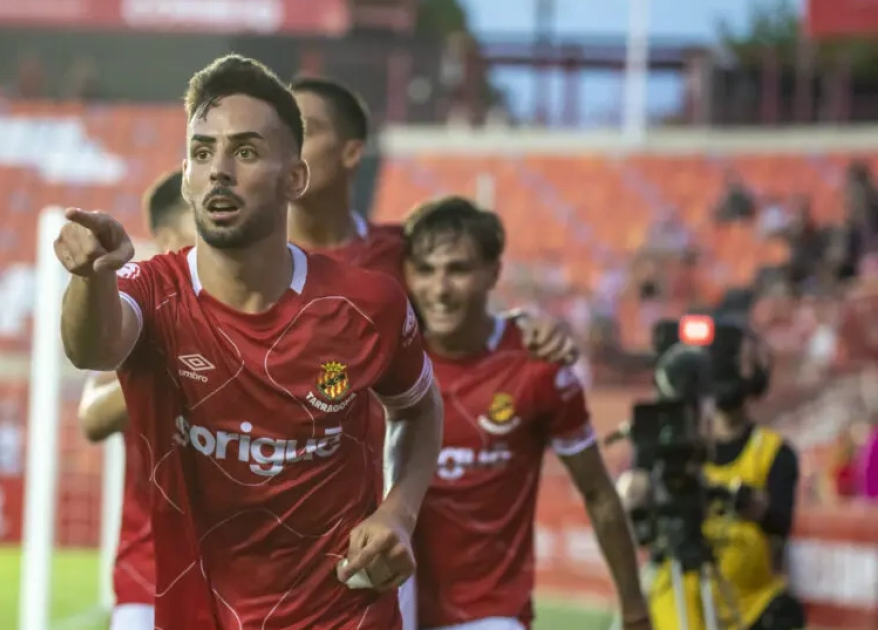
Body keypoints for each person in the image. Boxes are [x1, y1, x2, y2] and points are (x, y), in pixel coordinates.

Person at [57, 54, 442, 628]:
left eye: (245, 151)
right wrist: (91, 277)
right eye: (202, 151)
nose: (218, 170)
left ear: (295, 177)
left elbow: (419, 408)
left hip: (342, 614)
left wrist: (399, 511)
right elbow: (91, 350)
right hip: (200, 613)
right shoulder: (153, 290)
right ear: (186, 177)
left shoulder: (368, 305)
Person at [290, 76, 578, 628]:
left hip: (368, 511)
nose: (290, 144)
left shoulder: (396, 254)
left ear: (353, 152)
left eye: (306, 129)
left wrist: (523, 324)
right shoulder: (251, 259)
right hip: (270, 503)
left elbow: (458, 308)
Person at [400, 197, 650, 630]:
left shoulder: (537, 368)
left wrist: (633, 608)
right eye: (425, 270)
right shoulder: (385, 357)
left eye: (458, 270)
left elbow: (598, 493)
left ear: (493, 273)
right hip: (388, 611)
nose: (439, 289)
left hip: (489, 617)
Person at [618, 322, 804, 630]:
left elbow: (780, 526)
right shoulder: (666, 443)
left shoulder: (773, 452)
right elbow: (634, 502)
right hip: (678, 597)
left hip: (750, 608)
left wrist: (749, 504)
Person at [77, 168, 191, 630]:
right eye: (199, 226)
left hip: (241, 578)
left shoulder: (259, 311)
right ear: (166, 237)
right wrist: (176, 362)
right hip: (150, 574)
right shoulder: (140, 311)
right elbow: (92, 418)